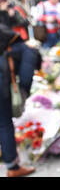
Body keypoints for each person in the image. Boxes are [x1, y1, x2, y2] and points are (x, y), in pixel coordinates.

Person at [0, 24, 41, 177]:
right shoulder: (27, 50)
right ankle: (12, 167)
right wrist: (22, 95)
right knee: (4, 124)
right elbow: (25, 78)